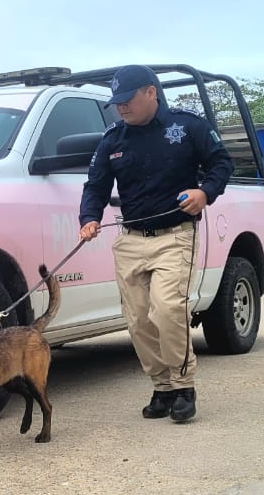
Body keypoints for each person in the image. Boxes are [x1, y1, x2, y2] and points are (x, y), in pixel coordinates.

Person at [78, 65, 233, 423]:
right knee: (137, 319)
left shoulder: (187, 126)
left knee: (166, 309)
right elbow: (95, 186)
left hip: (175, 236)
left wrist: (205, 192)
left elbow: (221, 163)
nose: (121, 107)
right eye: (116, 102)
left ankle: (183, 386)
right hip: (131, 239)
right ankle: (162, 387)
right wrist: (88, 218)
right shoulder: (112, 139)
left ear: (151, 92)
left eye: (128, 99)